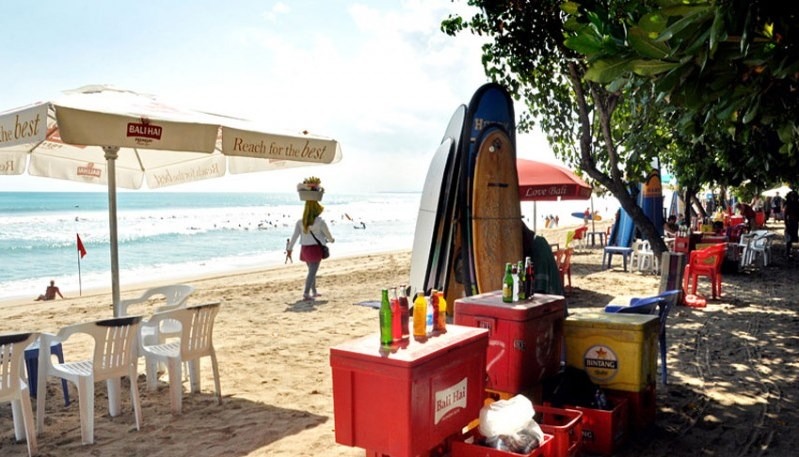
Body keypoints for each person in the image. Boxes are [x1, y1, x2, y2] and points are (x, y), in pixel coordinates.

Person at [287, 200, 335, 301]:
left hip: (304, 249)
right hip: (315, 249)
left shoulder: (300, 222)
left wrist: (289, 249)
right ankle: (306, 293)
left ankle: (314, 291)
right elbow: (328, 235)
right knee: (312, 272)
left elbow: (294, 237)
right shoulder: (320, 222)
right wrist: (331, 240)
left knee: (311, 271)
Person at [784, 190, 799, 258]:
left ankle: (789, 251)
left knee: (793, 238)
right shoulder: (789, 204)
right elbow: (785, 215)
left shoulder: (797, 204)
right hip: (790, 222)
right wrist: (786, 224)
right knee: (789, 238)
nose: (794, 198)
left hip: (795, 222)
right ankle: (787, 252)